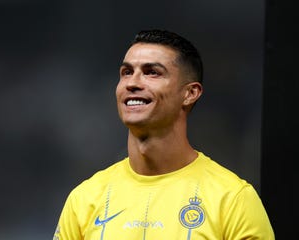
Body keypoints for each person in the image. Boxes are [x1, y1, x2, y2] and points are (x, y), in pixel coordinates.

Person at [53, 29, 275, 239]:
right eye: (127, 72)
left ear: (190, 93)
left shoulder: (233, 200)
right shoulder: (84, 200)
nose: (132, 83)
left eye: (152, 73)